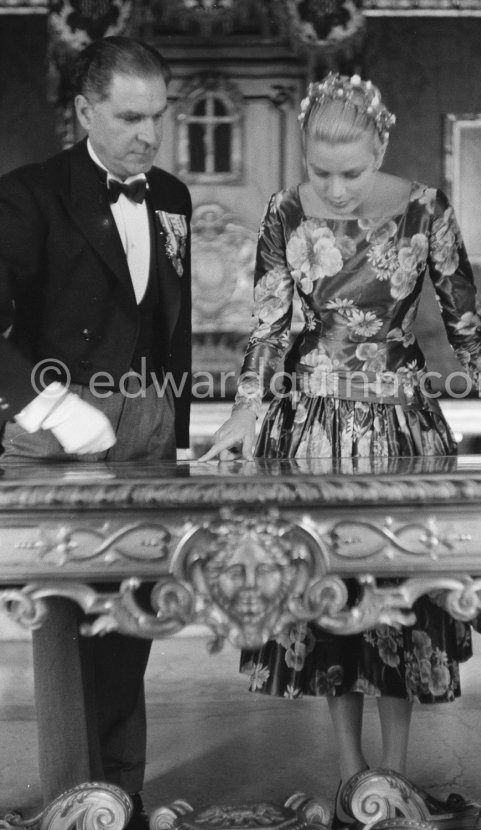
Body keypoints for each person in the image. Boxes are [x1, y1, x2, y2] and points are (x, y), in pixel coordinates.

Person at [200, 72, 481, 825]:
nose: (336, 188)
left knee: (402, 604)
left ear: (381, 147)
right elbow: (270, 327)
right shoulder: (282, 211)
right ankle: (349, 769)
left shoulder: (426, 208)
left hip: (400, 429)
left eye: (352, 172)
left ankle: (394, 774)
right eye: (320, 171)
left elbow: (465, 326)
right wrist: (244, 412)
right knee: (328, 600)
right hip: (312, 434)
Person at [0, 36, 192, 829]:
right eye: (129, 117)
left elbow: (172, 331)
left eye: (158, 116)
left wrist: (176, 432)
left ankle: (124, 795)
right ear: (85, 111)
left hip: (147, 422)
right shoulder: (28, 195)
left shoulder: (173, 198)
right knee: (68, 619)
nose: (148, 133)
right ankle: (74, 802)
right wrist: (42, 405)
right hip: (56, 424)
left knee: (133, 615)